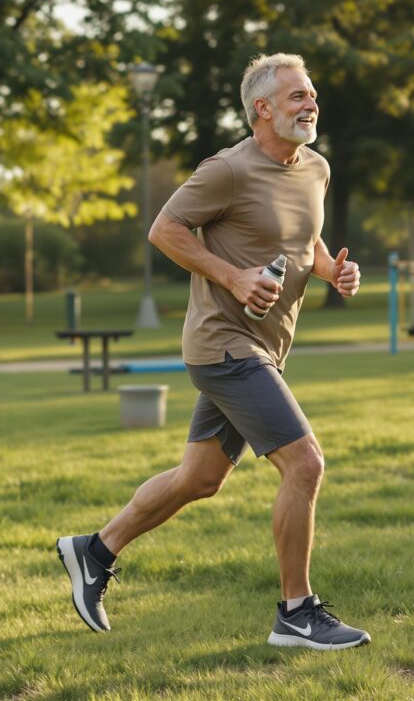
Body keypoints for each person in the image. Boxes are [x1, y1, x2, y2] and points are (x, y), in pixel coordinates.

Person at [57, 53, 370, 651]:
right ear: (264, 109)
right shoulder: (227, 170)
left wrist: (333, 271)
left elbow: (304, 239)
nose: (310, 104)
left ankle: (94, 551)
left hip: (265, 348)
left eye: (311, 94)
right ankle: (297, 614)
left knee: (199, 478)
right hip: (225, 346)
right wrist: (232, 277)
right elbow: (165, 230)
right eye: (298, 96)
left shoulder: (316, 169)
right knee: (305, 464)